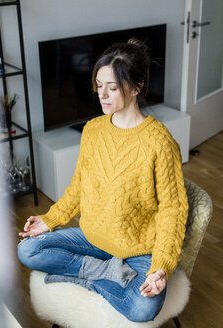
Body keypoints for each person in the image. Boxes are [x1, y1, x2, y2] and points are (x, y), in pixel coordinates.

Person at [17, 38, 188, 322]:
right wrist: (51, 219)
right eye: (99, 85)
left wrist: (161, 267)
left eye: (112, 87)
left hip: (138, 251)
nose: (102, 95)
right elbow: (80, 186)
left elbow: (173, 210)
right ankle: (102, 272)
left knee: (142, 307)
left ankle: (86, 276)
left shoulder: (160, 143)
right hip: (92, 238)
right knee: (28, 249)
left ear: (137, 87)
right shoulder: (93, 130)